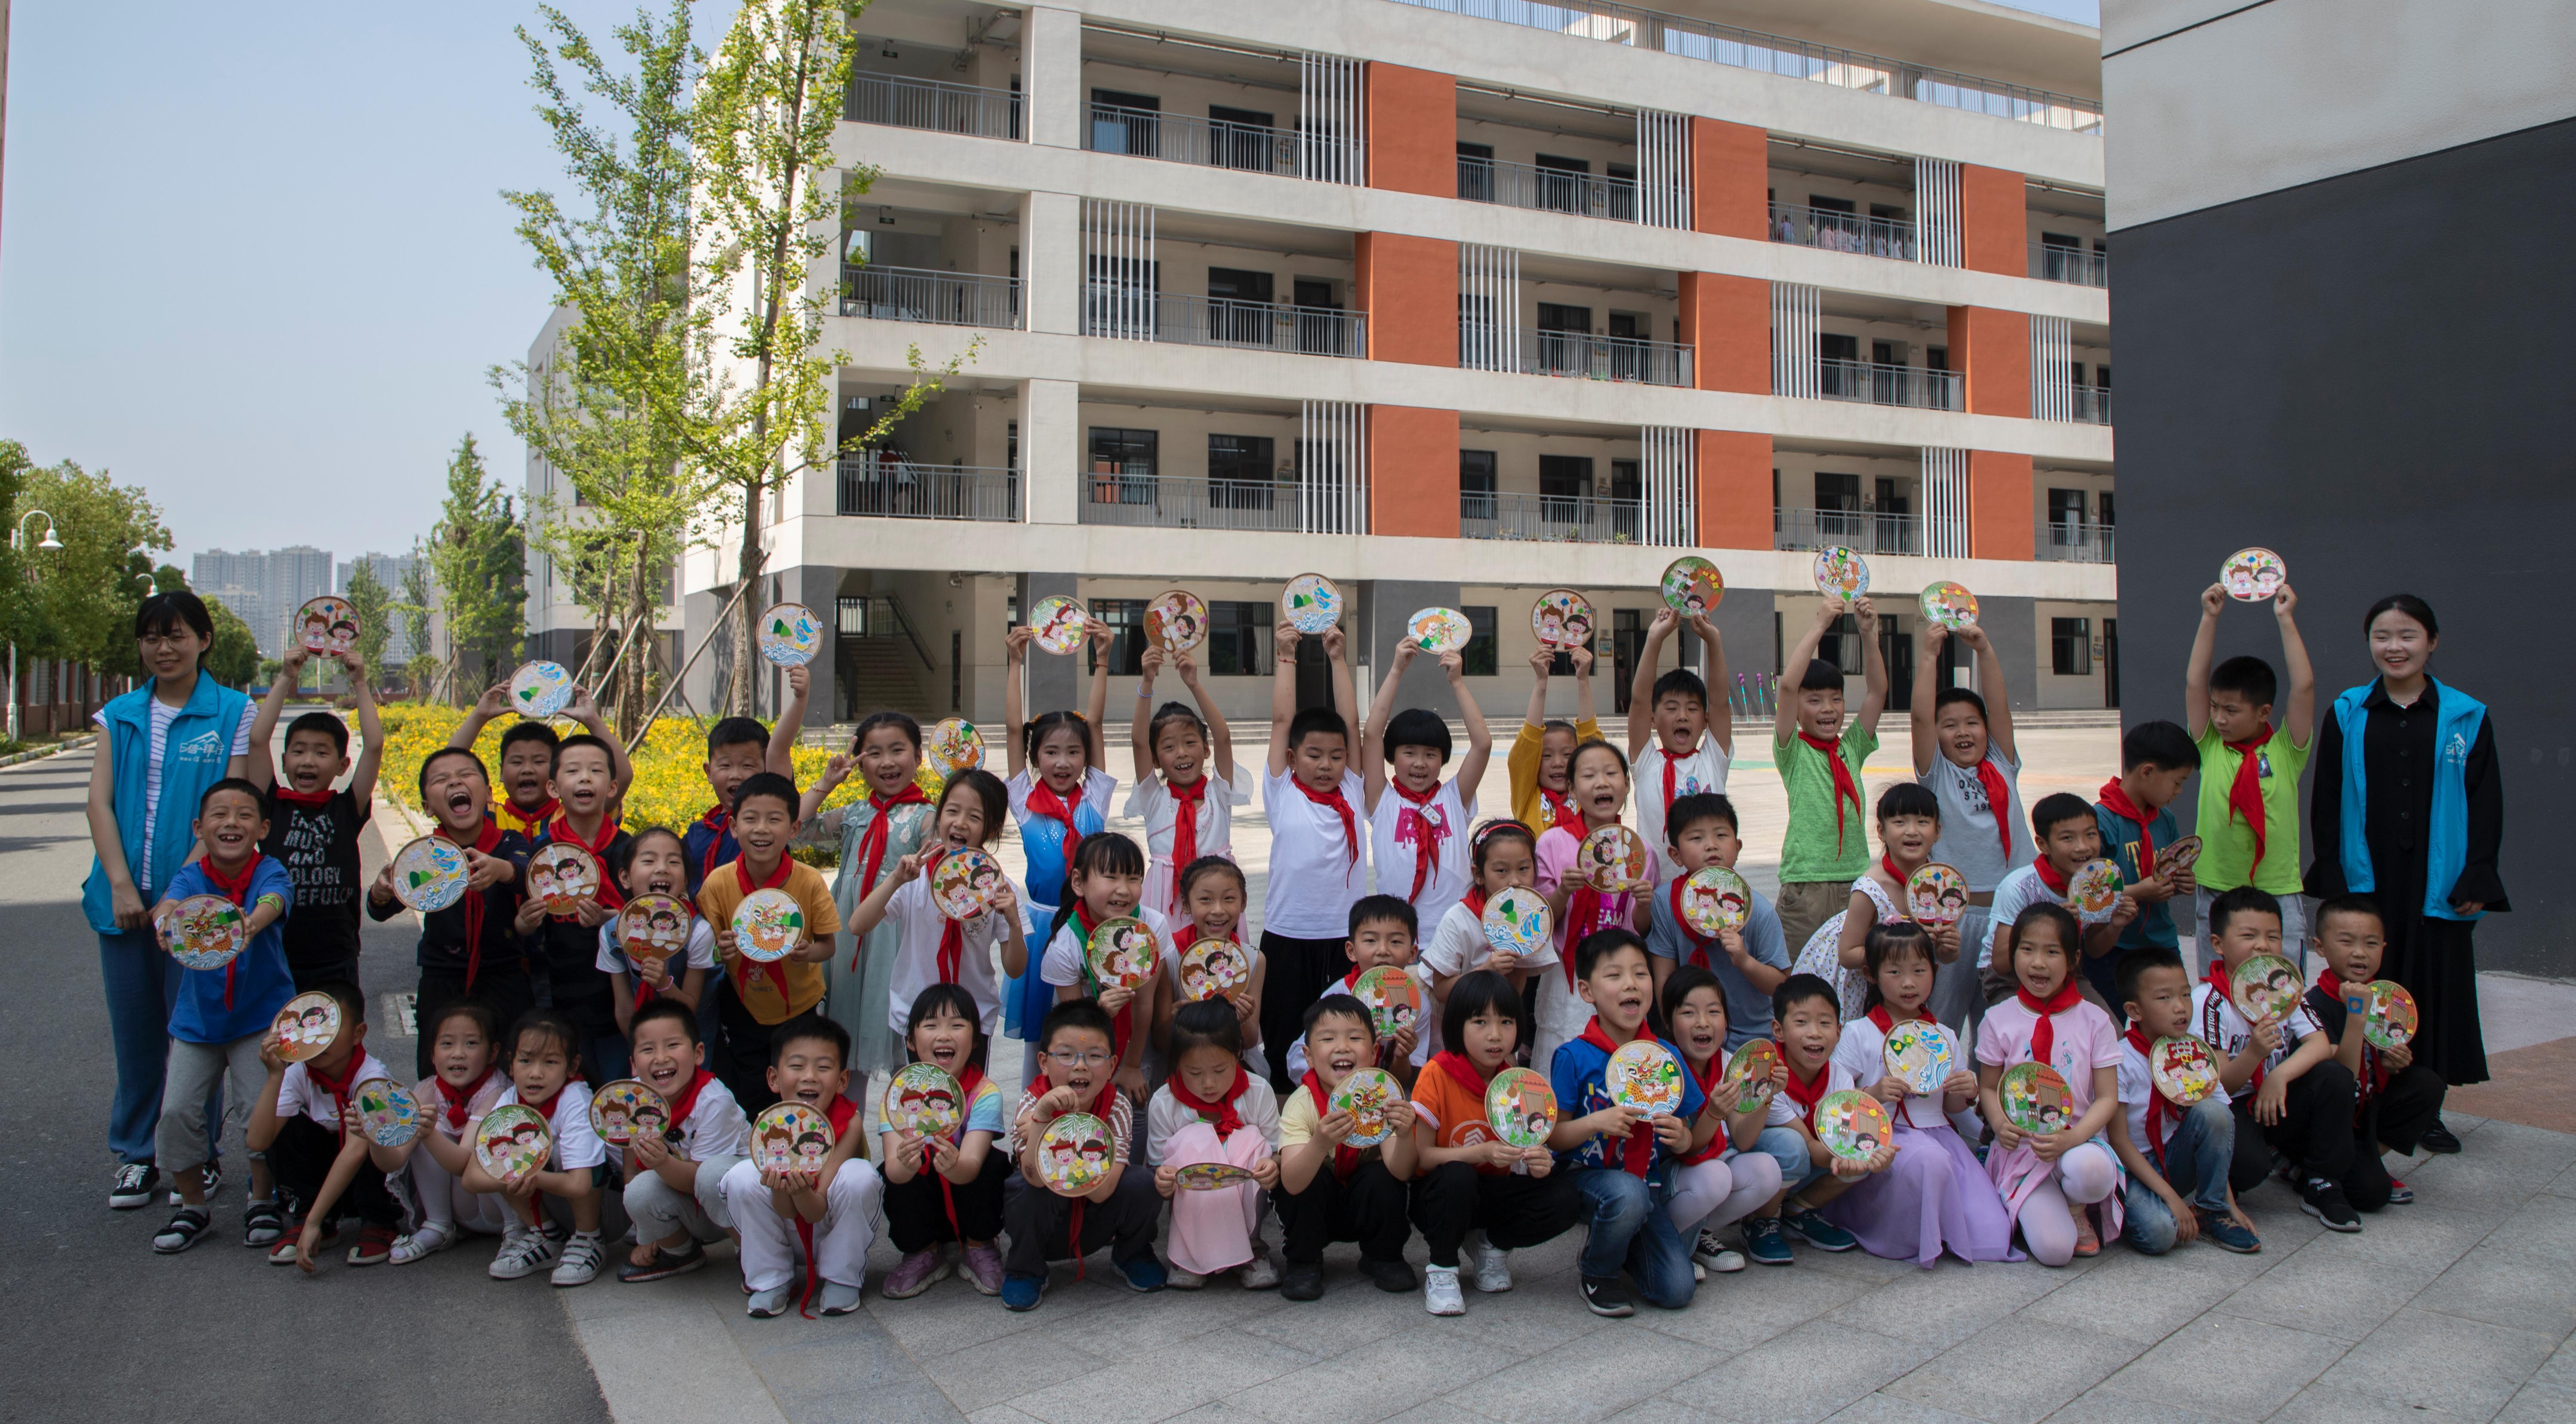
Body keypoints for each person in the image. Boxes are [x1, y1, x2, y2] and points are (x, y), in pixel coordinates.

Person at [2306, 593, 2502, 1156]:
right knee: (2370, 984)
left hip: (2438, 879)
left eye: (2408, 635)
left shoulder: (2466, 715)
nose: (2395, 647)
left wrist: (2478, 871)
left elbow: (2486, 800)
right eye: (2383, 637)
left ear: (2432, 642)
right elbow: (2327, 794)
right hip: (2370, 877)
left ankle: (2424, 1108)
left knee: (2433, 990)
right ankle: (2360, 1102)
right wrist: (2332, 866)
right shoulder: (2348, 711)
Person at [86, 591, 254, 1210]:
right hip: (122, 904)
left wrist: (178, 894)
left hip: (197, 906)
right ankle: (137, 1155)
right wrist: (122, 884)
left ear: (203, 641)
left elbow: (230, 809)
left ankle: (195, 1155)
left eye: (177, 635)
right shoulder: (120, 715)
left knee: (195, 1036)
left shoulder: (232, 711)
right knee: (135, 1037)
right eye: (152, 637)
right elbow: (99, 802)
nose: (164, 648)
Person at [146, 779, 295, 1254]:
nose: (232, 822)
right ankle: (193, 1207)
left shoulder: (271, 870)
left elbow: (274, 900)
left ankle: (262, 1199)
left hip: (260, 1020)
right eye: (220, 814)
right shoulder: (191, 877)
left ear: (263, 828)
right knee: (177, 1112)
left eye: (245, 815)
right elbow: (170, 904)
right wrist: (164, 922)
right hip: (198, 1022)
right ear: (199, 828)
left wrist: (251, 923)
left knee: (259, 1110)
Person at [1826, 923, 2015, 1267]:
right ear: (1871, 974)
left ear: (1935, 971)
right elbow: (1835, 1103)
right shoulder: (1858, 1033)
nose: (1909, 983)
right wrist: (1873, 1093)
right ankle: (1899, 1227)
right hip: (1883, 1139)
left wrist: (1966, 1090)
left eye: (1919, 970)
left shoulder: (1943, 1035)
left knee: (1992, 1234)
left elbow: (1952, 1107)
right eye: (1895, 972)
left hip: (1940, 1136)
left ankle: (1940, 1227)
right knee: (1929, 1160)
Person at [1408, 970, 1580, 1316]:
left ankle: (1491, 1244)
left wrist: (1539, 1163)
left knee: (1567, 1197)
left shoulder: (1518, 1082)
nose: (1495, 1035)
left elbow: (1527, 1146)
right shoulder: (1437, 1073)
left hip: (1491, 1191)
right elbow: (1423, 1157)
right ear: (1457, 1025)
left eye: (1506, 1022)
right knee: (1458, 1174)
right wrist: (1479, 1152)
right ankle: (1442, 1268)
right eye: (1480, 1022)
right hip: (1439, 1195)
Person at [1550, 929, 1703, 1315]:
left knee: (1677, 1289)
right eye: (1615, 975)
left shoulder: (1664, 1055)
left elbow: (1690, 1134)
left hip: (1647, 1184)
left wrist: (1683, 1137)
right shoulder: (1573, 1056)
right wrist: (1595, 1122)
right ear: (1587, 991)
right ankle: (1597, 1271)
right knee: (1628, 1194)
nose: (1631, 983)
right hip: (1585, 1179)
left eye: (1640, 973)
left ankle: (1623, 1241)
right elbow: (1555, 1138)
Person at [789, 672, 934, 1077]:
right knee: (846, 1034)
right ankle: (848, 1110)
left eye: (898, 750)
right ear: (860, 762)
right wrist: (826, 783)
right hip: (849, 930)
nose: (887, 762)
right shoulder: (854, 813)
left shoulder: (926, 817)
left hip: (896, 931)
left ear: (918, 757)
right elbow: (796, 828)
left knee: (897, 1024)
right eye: (874, 753)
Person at [2193, 886, 2361, 1229]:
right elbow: (2218, 1084)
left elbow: (2319, 1043)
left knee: (2334, 1075)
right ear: (2218, 944)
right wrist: (2255, 1053)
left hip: (2274, 1094)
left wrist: (2279, 1076)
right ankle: (2234, 1176)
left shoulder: (2284, 989)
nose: (2262, 945)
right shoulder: (2208, 1001)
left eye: (2273, 936)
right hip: (2233, 1104)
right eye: (2249, 936)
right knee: (2250, 1168)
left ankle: (2321, 1182)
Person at [367, 748, 536, 1078]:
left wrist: (500, 869)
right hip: (442, 978)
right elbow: (382, 909)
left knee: (512, 1069)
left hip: (504, 975)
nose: (455, 781)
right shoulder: (424, 856)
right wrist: (381, 892)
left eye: (466, 774)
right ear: (427, 807)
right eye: (441, 779)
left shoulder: (509, 842)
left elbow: (527, 872)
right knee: (438, 1073)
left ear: (488, 794)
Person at [1977, 904, 2124, 1265]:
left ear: (2073, 959)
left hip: (2077, 1142)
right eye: (2027, 949)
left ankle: (2075, 1205)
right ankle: (2026, 1199)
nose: (2038, 963)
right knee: (2056, 1251)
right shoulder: (1997, 1019)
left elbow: (2108, 1098)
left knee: (2093, 1172)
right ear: (2013, 953)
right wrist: (1999, 1123)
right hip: (2023, 1149)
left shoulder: (2095, 1020)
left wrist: (2073, 1139)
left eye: (2052, 952)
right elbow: (1988, 1088)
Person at [841, 767, 1031, 1045]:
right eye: (952, 811)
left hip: (973, 1017)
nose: (960, 823)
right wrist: (895, 880)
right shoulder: (914, 877)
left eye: (975, 817)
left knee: (969, 1078)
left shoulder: (1001, 889)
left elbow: (1015, 969)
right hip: (917, 1015)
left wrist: (1014, 924)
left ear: (992, 829)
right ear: (939, 815)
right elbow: (857, 925)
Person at [1001, 619, 1118, 1071]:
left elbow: (1097, 722)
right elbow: (1014, 730)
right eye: (1051, 752)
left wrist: (1102, 660)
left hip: (1089, 922)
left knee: (1088, 1026)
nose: (1063, 762)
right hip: (1041, 924)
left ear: (1087, 758)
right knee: (1042, 1036)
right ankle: (1033, 1103)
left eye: (1074, 752)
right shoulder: (1024, 802)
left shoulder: (1094, 798)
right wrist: (1015, 662)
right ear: (1035, 758)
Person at [1001, 999, 1168, 1310]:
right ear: (1043, 1062)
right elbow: (1034, 1177)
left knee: (1144, 1182)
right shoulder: (1032, 1102)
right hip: (1046, 1222)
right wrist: (1043, 1118)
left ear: (1113, 1064)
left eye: (1094, 1056)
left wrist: (1075, 1137)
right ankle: (1026, 1268)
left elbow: (1103, 1191)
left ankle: (1131, 1253)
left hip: (1096, 1221)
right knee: (1023, 1189)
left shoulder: (1117, 1107)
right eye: (1066, 1055)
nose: (1080, 1066)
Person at [1258, 623, 1366, 1090]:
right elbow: (1282, 720)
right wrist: (1286, 656)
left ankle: (1342, 1107)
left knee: (1343, 1035)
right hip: (1287, 932)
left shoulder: (1353, 789)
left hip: (1344, 937)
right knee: (1283, 1030)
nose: (1326, 765)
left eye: (1336, 756)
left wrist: (1338, 659)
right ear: (1292, 758)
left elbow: (1352, 725)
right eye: (1314, 755)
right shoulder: (1283, 791)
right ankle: (1287, 1114)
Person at [1910, 618, 2030, 1037]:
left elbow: (1999, 707)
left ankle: (1988, 1082)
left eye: (1972, 723)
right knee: (1940, 1020)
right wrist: (1930, 654)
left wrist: (1985, 649)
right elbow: (1920, 718)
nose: (1963, 732)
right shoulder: (1936, 774)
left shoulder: (2001, 762)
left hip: (2010, 916)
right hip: (1952, 920)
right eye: (1950, 725)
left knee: (2000, 1027)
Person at [695, 772, 842, 1111]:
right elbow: (707, 949)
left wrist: (807, 951)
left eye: (774, 819)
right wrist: (720, 950)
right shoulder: (718, 884)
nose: (761, 829)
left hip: (801, 1005)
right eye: (751, 819)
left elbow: (829, 946)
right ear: (734, 827)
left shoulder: (809, 881)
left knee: (800, 1083)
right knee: (750, 1088)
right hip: (744, 1005)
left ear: (793, 829)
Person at [2185, 580, 2316, 958]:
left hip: (2277, 888)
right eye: (2215, 707)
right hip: (2218, 886)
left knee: (2280, 984)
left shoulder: (2286, 749)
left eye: (2231, 710)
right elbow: (2195, 682)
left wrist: (2285, 618)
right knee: (2219, 982)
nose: (2219, 718)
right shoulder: (2210, 745)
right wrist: (2209, 618)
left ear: (2263, 712)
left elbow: (2304, 687)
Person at [719, 1016, 882, 1317]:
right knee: (741, 1176)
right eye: (797, 1066)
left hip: (827, 1223)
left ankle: (842, 1276)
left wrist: (801, 1189)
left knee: (860, 1176)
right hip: (785, 1228)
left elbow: (815, 1210)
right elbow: (785, 1210)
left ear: (843, 1080)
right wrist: (781, 1186)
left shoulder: (849, 1122)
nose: (810, 1076)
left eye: (823, 1067)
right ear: (773, 1078)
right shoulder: (770, 1127)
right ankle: (772, 1278)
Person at [243, 644, 382, 990]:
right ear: (284, 761)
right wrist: (286, 676)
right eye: (298, 751)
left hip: (336, 957)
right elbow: (257, 741)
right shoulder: (270, 806)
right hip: (277, 953)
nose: (307, 761)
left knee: (337, 1027)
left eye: (321, 753)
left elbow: (374, 745)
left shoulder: (347, 807)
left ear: (342, 765)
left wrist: (360, 683)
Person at [2111, 946, 2262, 1255]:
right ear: (2135, 1011)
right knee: (2160, 1235)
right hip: (2131, 1169)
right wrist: (2173, 1199)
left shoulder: (2194, 1055)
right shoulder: (2120, 1059)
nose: (2180, 1007)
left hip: (2173, 1157)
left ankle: (2210, 1211)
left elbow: (2218, 1124)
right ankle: (2124, 1209)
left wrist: (2228, 1203)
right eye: (2164, 998)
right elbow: (2119, 1141)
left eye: (2186, 995)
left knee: (2215, 1112)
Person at [244, 980, 401, 1271]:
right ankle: (314, 1217)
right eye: (307, 1029)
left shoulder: (372, 1077)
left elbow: (355, 1152)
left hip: (369, 1177)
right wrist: (275, 1076)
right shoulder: (298, 1073)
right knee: (285, 1126)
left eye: (329, 1029)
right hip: (330, 1177)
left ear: (358, 1034)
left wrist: (312, 1223)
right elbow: (258, 1141)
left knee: (372, 1132)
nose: (316, 1039)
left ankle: (378, 1222)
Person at [2305, 896, 2447, 1212]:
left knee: (2427, 1084)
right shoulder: (2313, 1005)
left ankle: (2367, 1157)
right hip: (2325, 1121)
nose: (2360, 952)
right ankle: (2310, 1167)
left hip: (2365, 1110)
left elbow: (2378, 1064)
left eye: (2371, 943)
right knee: (2372, 1194)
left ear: (2383, 947)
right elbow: (2342, 1076)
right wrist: (2356, 1014)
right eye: (2347, 942)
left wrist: (2394, 1063)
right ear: (2320, 947)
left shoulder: (2387, 998)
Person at [1274, 993, 1417, 1301]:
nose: (1342, 1047)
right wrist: (1319, 1144)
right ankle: (1304, 1261)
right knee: (1302, 1174)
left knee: (1382, 1176)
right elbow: (1292, 1182)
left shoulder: (1384, 1096)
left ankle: (1384, 1256)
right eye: (1328, 1039)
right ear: (1309, 1056)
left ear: (1375, 1051)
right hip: (1319, 1206)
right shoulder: (1301, 1103)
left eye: (1355, 1038)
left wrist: (1406, 1134)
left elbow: (1401, 1171)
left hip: (1364, 1201)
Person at [875, 984, 1010, 1298]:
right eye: (931, 1025)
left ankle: (979, 1245)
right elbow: (894, 1171)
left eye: (957, 1025)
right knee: (896, 1166)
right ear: (911, 1040)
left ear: (975, 1039)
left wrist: (954, 1164)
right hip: (925, 1197)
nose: (944, 1035)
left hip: (967, 1190)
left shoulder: (984, 1092)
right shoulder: (896, 1096)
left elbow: (972, 1166)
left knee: (993, 1163)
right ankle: (923, 1251)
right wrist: (906, 1165)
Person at [1772, 598, 1889, 954]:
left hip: (1855, 883)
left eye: (1836, 699)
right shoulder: (1792, 750)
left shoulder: (1851, 747)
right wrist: (1820, 625)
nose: (1828, 709)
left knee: (1854, 975)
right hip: (1805, 887)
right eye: (1815, 700)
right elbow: (1788, 687)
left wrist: (1868, 634)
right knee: (1798, 974)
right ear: (1797, 709)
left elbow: (1877, 692)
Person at [1655, 966, 1784, 1279]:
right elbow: (1687, 1148)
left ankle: (1698, 1235)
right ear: (1668, 1022)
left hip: (1704, 1171)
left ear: (1726, 1020)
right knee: (1716, 1176)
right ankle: (1663, 1242)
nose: (1703, 1022)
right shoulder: (1663, 1066)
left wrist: (1766, 1095)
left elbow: (1744, 1139)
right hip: (1666, 1177)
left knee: (1767, 1171)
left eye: (1714, 1012)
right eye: (1689, 1012)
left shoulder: (1730, 1063)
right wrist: (1713, 1113)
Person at [521, 731, 634, 1081]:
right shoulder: (542, 851)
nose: (585, 778)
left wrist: (609, 920)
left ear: (612, 787)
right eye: (573, 771)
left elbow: (646, 918)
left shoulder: (630, 850)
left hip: (618, 994)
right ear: (554, 788)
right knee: (570, 1083)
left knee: (617, 1082)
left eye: (596, 770)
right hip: (560, 991)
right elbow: (523, 928)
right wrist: (526, 922)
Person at [1148, 1000, 1283, 1289]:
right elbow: (1158, 1165)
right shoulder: (1164, 1101)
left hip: (1247, 1199)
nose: (1208, 1083)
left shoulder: (1258, 1092)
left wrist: (1272, 1166)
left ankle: (1251, 1245)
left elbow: (1276, 1150)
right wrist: (1163, 1179)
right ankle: (1189, 1254)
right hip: (1192, 1210)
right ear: (1177, 1063)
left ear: (1238, 1053)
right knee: (1191, 1140)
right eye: (1195, 1073)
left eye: (1220, 1070)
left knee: (1252, 1141)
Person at [1796, 783, 1960, 1019]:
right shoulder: (1870, 888)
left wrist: (1948, 948)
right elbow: (1847, 954)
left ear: (1938, 832)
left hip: (1906, 983)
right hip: (1863, 988)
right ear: (1881, 832)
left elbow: (1942, 955)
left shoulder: (1943, 885)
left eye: (1923, 822)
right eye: (1900, 822)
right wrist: (1895, 950)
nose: (1912, 831)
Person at [616, 997, 750, 1284]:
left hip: (740, 1206)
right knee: (637, 1192)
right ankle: (680, 1252)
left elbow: (704, 1181)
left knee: (711, 1174)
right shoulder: (634, 1099)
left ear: (699, 1053)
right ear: (633, 1064)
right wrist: (647, 1233)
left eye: (672, 1045)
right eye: (648, 1049)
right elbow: (633, 1171)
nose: (661, 1058)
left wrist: (662, 1163)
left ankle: (753, 1250)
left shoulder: (714, 1101)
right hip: (694, 1205)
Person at [468, 1010, 608, 1285]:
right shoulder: (510, 1100)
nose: (535, 1073)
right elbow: (472, 1177)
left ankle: (589, 1239)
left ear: (572, 1066)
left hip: (606, 1207)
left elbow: (581, 1184)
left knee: (566, 1157)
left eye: (551, 1062)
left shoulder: (575, 1100)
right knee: (502, 1159)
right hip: (554, 1196)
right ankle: (546, 1235)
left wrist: (530, 1176)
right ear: (511, 1064)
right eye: (526, 1060)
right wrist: (515, 1174)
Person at [1365, 642, 1493, 936]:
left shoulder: (1454, 798)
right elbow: (1371, 735)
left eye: (1431, 754)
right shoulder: (1382, 800)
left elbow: (1483, 744)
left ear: (1443, 758)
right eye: (1409, 752)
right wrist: (1396, 670)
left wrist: (1457, 682)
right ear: (1392, 755)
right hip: (1398, 937)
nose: (1420, 763)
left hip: (1456, 935)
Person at [1645, 794, 1789, 1055]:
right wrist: (1674, 1033)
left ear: (1738, 846)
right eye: (1697, 838)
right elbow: (1664, 979)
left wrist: (1745, 961)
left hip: (1752, 1037)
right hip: (1690, 1037)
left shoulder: (1758, 910)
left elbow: (1781, 986)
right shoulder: (1665, 902)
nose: (1711, 846)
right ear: (1676, 855)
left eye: (1721, 835)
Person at [1534, 741, 1648, 1068]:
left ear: (1627, 783)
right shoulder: (1553, 842)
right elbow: (1543, 920)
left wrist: (1644, 904)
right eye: (1589, 775)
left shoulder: (1642, 852)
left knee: (1618, 1061)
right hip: (1567, 973)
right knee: (1561, 1057)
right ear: (1572, 788)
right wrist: (1563, 892)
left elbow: (1641, 928)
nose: (1602, 782)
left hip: (1620, 974)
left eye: (1612, 773)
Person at [1127, 645, 1248, 924]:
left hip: (1216, 901)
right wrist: (1147, 682)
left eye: (1190, 742)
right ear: (1156, 760)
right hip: (1166, 905)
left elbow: (1224, 737)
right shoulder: (1154, 799)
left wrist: (1194, 684)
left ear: (1206, 749)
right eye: (1169, 747)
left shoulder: (1219, 793)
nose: (1181, 753)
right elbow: (1138, 742)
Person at [1981, 793, 2134, 1010]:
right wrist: (2053, 926)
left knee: (2107, 1026)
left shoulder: (2098, 884)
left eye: (2091, 835)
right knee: (2026, 1028)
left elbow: (2094, 949)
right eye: (2068, 838)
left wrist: (2115, 926)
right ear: (2043, 845)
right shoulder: (2019, 887)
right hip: (2009, 977)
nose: (2083, 847)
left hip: (2064, 972)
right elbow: (2000, 963)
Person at [1036, 832, 1164, 1092]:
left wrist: (1132, 1066)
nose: (1124, 889)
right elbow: (1074, 1027)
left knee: (1138, 1104)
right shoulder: (1065, 947)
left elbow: (1144, 1002)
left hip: (1139, 1042)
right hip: (1082, 1050)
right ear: (1078, 882)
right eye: (1111, 877)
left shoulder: (1153, 928)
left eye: (1134, 878)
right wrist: (1099, 1012)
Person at [388, 1003, 512, 1264]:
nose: (458, 1054)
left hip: (502, 1213)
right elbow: (394, 1159)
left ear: (493, 1052)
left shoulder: (499, 1091)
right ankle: (438, 1225)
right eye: (447, 1044)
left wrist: (428, 1133)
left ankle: (517, 1232)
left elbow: (464, 1163)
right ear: (432, 1054)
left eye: (471, 1044)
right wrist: (373, 1135)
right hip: (463, 1212)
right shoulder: (427, 1090)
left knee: (492, 1140)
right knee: (425, 1126)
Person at [1625, 608, 1734, 886]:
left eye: (1692, 709)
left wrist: (1714, 642)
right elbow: (1639, 701)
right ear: (1652, 719)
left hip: (1710, 886)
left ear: (1706, 719)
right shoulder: (1647, 763)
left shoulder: (1713, 760)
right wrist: (1654, 639)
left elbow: (1720, 702)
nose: (1682, 716)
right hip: (1655, 888)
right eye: (1672, 708)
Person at [450, 680, 632, 838]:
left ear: (556, 775)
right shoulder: (486, 816)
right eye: (517, 762)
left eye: (539, 762)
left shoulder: (578, 815)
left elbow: (622, 776)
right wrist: (479, 717)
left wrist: (592, 720)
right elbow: (445, 770)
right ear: (501, 772)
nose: (527, 770)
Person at [2094, 721, 2200, 992]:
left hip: (2161, 939)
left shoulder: (2165, 819)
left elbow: (2168, 871)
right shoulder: (2101, 821)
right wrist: (2140, 892)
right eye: (2177, 782)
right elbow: (2089, 894)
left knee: (2173, 1010)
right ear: (2148, 772)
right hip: (2114, 942)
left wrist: (2180, 883)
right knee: (2115, 1016)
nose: (2179, 792)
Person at [1280, 896, 1431, 1085]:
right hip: (1337, 1088)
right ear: (1351, 951)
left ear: (1412, 953)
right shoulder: (1337, 996)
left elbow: (1403, 1080)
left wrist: (1403, 1056)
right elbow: (1300, 1060)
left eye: (1395, 942)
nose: (1383, 950)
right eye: (1370, 940)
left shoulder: (1417, 1006)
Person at [1150, 857, 1271, 1081]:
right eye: (1205, 900)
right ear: (1186, 904)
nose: (1218, 910)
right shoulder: (1170, 956)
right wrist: (1175, 1019)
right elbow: (1160, 1040)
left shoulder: (1253, 960)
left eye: (1229, 899)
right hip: (1182, 1069)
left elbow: (1250, 1041)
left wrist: (1243, 1019)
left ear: (1244, 902)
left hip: (1235, 1065)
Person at [1420, 821, 1558, 1013]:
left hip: (1498, 1012)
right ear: (1478, 875)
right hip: (1451, 1013)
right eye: (1502, 871)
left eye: (1524, 869)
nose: (1515, 881)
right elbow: (1441, 990)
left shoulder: (1533, 918)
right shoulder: (1458, 920)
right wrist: (1487, 970)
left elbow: (1515, 988)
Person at [598, 827, 716, 1035]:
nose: (662, 869)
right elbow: (625, 1010)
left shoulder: (698, 932)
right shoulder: (612, 934)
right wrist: (639, 1047)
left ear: (685, 879)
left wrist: (664, 984)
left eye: (674, 862)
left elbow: (690, 1007)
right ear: (625, 877)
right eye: (649, 861)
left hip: (692, 1035)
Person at [1510, 642, 1599, 839]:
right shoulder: (1527, 798)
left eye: (1568, 755)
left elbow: (1594, 749)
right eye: (1547, 756)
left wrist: (1583, 679)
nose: (1558, 763)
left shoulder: (1588, 796)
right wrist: (1541, 681)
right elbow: (1527, 746)